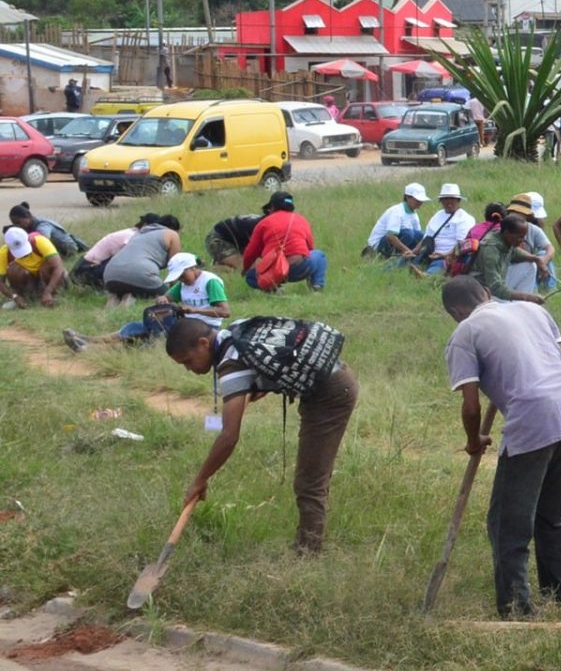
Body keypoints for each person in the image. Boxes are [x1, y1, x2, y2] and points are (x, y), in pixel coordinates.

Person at [440, 276, 561, 617]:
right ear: (487, 294)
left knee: (507, 523)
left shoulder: (465, 332)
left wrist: (473, 441)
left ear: (455, 311)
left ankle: (517, 609)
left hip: (533, 418)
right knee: (550, 514)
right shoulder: (532, 310)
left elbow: (472, 405)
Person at [166, 315, 358, 553]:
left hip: (330, 394)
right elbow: (277, 356)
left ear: (204, 343)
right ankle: (309, 543)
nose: (189, 369)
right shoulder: (238, 331)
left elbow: (229, 436)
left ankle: (307, 553)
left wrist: (199, 480)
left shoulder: (230, 366)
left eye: (188, 361)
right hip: (334, 377)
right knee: (314, 473)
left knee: (309, 482)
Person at [64, 252, 228, 350]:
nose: (182, 280)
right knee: (139, 327)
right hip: (185, 322)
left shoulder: (210, 282)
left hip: (205, 327)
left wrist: (196, 311)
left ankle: (91, 348)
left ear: (192, 268)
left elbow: (224, 312)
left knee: (150, 337)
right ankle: (89, 341)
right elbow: (166, 297)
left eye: (182, 275)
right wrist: (162, 298)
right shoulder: (182, 285)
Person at [106, 216, 184, 302]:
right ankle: (131, 298)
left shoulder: (139, 234)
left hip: (110, 277)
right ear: (176, 230)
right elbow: (175, 264)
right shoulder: (172, 234)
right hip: (140, 274)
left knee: (129, 286)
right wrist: (174, 289)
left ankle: (119, 297)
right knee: (168, 296)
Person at [407, 184, 476, 273]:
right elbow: (427, 237)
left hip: (448, 256)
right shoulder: (438, 215)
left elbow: (461, 245)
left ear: (458, 201)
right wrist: (414, 251)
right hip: (429, 253)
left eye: (452, 201)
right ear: (441, 201)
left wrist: (444, 255)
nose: (449, 204)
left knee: (440, 264)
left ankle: (427, 276)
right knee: (406, 260)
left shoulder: (465, 218)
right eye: (446, 201)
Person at [504, 193, 557, 295]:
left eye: (520, 213)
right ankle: (531, 293)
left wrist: (543, 261)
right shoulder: (502, 229)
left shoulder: (533, 229)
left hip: (528, 265)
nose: (517, 215)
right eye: (514, 212)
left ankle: (551, 289)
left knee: (542, 254)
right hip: (508, 268)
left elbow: (550, 248)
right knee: (531, 264)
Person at [364, 182, 427, 258]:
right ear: (408, 197)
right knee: (408, 234)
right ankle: (387, 255)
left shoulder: (414, 214)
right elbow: (391, 236)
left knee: (421, 235)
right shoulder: (397, 211)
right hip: (378, 245)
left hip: (397, 242)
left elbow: (419, 236)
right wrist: (407, 251)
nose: (420, 203)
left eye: (421, 200)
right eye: (417, 200)